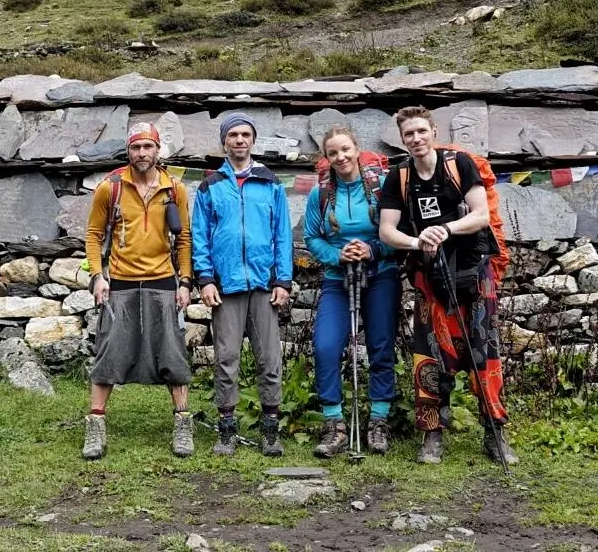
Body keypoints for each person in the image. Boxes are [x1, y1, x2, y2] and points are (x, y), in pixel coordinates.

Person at [377, 106, 518, 466]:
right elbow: (387, 230)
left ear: (433, 131)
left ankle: (495, 432)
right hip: (429, 274)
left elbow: (481, 214)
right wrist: (417, 241)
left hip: (473, 268)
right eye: (409, 134)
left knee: (483, 351)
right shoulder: (400, 177)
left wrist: (446, 229)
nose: (416, 139)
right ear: (403, 139)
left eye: (421, 131)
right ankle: (432, 433)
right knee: (429, 354)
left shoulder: (459, 165)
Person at [82, 122, 194, 460]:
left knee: (172, 353)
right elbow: (92, 235)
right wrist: (97, 277)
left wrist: (185, 282)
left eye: (148, 147)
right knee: (109, 352)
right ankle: (96, 424)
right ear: (128, 151)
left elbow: (185, 239)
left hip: (163, 281)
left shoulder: (175, 189)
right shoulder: (110, 189)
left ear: (158, 150)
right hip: (120, 282)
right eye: (136, 147)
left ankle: (183, 424)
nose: (142, 153)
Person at [191, 112, 293, 457]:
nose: (239, 140)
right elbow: (200, 237)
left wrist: (283, 280)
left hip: (265, 284)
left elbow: (282, 235)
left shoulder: (270, 183)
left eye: (245, 134)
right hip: (227, 284)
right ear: (224, 141)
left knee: (269, 358)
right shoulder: (210, 185)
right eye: (233, 134)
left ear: (253, 140)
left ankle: (270, 431)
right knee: (226, 358)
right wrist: (204, 278)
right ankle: (227, 430)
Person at [303, 127, 399, 458]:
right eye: (333, 153)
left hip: (381, 274)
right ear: (327, 158)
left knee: (381, 346)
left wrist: (373, 249)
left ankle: (379, 420)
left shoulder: (381, 188)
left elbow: (399, 230)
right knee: (326, 345)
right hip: (337, 278)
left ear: (356, 149)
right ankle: (334, 425)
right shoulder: (321, 195)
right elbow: (313, 237)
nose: (341, 157)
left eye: (345, 150)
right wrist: (337, 255)